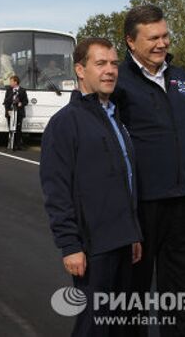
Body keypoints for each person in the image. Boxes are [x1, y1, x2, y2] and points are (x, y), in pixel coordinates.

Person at [112, 5, 185, 337]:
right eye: (153, 37)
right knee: (133, 293)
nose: (162, 43)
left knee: (182, 291)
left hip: (182, 201)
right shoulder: (118, 82)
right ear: (130, 41)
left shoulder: (182, 79)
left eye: (165, 35)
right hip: (139, 204)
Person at [40, 38, 142, 337]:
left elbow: (127, 181)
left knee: (119, 324)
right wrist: (70, 246)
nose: (110, 70)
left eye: (113, 63)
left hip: (124, 240)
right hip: (93, 246)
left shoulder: (116, 118)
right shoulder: (65, 123)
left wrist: (133, 231)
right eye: (101, 64)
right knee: (94, 325)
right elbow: (56, 191)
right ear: (80, 70)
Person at [3, 75, 28, 150]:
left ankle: (18, 145)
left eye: (11, 81)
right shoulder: (9, 90)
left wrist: (21, 103)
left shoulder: (22, 90)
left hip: (19, 112)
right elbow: (6, 101)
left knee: (18, 129)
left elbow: (26, 101)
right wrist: (7, 110)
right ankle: (11, 144)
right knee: (10, 128)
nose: (10, 83)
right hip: (10, 112)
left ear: (15, 82)